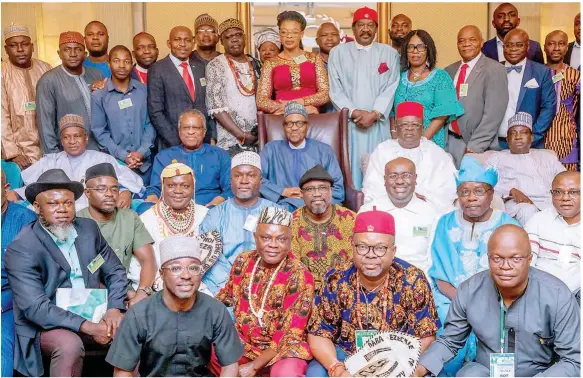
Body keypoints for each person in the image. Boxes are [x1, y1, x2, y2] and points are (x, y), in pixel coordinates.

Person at [4, 169, 127, 377]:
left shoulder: (88, 229)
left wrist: (115, 308)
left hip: (95, 311)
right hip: (46, 324)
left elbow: (114, 270)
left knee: (135, 327)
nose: (62, 209)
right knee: (69, 345)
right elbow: (37, 308)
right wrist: (89, 326)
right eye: (53, 203)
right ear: (37, 207)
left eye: (68, 203)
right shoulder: (22, 247)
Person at [414, 225, 581, 377]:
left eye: (515, 259)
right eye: (497, 258)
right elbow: (449, 341)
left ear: (529, 259)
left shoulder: (557, 295)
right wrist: (417, 370)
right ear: (488, 259)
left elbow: (574, 359)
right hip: (486, 370)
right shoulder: (470, 291)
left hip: (538, 374)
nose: (505, 266)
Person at [306, 207, 440, 377]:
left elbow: (426, 336)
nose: (371, 255)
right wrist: (337, 369)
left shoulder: (413, 279)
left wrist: (399, 368)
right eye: (362, 247)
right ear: (352, 247)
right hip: (346, 354)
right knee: (315, 373)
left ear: (393, 251)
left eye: (380, 248)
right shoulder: (335, 278)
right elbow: (318, 332)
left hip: (398, 359)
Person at [428, 156, 520, 375]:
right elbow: (440, 274)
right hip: (451, 298)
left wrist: (482, 303)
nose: (471, 198)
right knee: (443, 316)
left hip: (496, 300)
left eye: (479, 191)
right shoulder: (445, 222)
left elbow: (517, 273)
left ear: (491, 195)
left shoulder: (508, 225)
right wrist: (463, 302)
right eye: (464, 192)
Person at [106, 236, 243, 377]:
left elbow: (230, 366)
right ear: (162, 274)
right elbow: (123, 372)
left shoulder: (215, 311)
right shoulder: (138, 314)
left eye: (194, 268)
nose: (186, 275)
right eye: (176, 268)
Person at [213, 207, 315, 377]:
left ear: (290, 241)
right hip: (244, 346)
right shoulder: (243, 261)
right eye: (266, 238)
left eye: (281, 239)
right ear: (255, 237)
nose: (273, 245)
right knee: (205, 347)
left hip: (284, 351)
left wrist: (254, 366)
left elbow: (289, 333)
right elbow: (225, 296)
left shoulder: (300, 274)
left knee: (286, 374)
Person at [328, 6, 400, 189]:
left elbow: (391, 87)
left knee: (379, 168)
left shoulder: (389, 54)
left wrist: (375, 114)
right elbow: (335, 89)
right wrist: (354, 112)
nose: (366, 29)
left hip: (378, 124)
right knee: (350, 170)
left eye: (370, 25)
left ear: (376, 28)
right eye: (361, 25)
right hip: (351, 124)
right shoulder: (338, 53)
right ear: (353, 28)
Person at [13, 114, 144, 210]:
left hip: (96, 215)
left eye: (77, 136)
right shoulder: (50, 161)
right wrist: (15, 194)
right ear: (61, 141)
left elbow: (129, 181)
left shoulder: (103, 159)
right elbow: (30, 187)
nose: (72, 141)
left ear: (86, 138)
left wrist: (125, 192)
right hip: (58, 216)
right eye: (66, 137)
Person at [77, 163, 156, 306]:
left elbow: (148, 260)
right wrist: (123, 293)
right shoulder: (77, 222)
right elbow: (82, 272)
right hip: (91, 294)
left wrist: (142, 293)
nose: (109, 194)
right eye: (101, 189)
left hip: (128, 293)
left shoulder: (129, 218)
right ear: (87, 193)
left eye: (114, 189)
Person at [200, 151, 279, 295]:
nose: (244, 180)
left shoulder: (276, 212)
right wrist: (235, 283)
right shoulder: (214, 215)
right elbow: (210, 257)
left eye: (251, 175)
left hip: (267, 286)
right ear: (230, 180)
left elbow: (282, 252)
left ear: (260, 180)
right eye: (238, 175)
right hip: (224, 288)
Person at [363, 101, 457, 212]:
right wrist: (402, 197)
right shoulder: (382, 151)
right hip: (389, 209)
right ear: (396, 127)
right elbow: (373, 186)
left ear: (422, 127)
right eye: (404, 125)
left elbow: (446, 189)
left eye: (415, 125)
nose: (409, 128)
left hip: (426, 210)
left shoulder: (436, 154)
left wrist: (415, 198)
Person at [130, 162, 209, 292]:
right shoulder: (146, 219)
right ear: (162, 187)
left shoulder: (205, 216)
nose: (178, 191)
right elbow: (135, 264)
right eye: (171, 186)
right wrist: (158, 283)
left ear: (193, 188)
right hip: (160, 289)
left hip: (200, 288)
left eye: (185, 186)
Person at [260, 101, 344, 211]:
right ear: (284, 126)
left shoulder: (324, 150)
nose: (294, 128)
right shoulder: (271, 149)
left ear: (307, 126)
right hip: (283, 206)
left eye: (299, 123)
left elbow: (337, 188)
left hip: (318, 207)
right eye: (289, 124)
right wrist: (282, 191)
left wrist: (311, 197)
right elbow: (256, 179)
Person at [360, 157, 439, 274]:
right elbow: (361, 254)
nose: (400, 181)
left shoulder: (430, 213)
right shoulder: (367, 211)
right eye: (393, 176)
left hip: (417, 281)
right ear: (384, 180)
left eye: (406, 175)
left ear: (415, 179)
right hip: (378, 279)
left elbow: (433, 260)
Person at [444, 25, 509, 167]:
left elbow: (493, 115)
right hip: (449, 142)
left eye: (472, 40)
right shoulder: (449, 70)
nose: (466, 44)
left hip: (476, 145)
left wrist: (474, 147)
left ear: (481, 42)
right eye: (461, 41)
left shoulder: (494, 69)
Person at [91, 45, 156, 184]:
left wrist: (141, 152)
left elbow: (150, 124)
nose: (121, 66)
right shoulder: (99, 96)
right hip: (116, 167)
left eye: (126, 61)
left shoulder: (144, 90)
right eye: (116, 61)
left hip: (145, 166)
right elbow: (100, 132)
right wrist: (124, 156)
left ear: (132, 65)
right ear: (108, 64)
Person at [487, 112, 566, 225]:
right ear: (507, 139)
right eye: (513, 133)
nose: (518, 137)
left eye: (523, 133)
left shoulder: (547, 157)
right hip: (517, 205)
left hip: (548, 202)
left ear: (531, 138)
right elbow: (483, 184)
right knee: (527, 210)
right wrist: (509, 190)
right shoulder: (497, 158)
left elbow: (566, 179)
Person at [144, 109, 232, 208]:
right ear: (179, 131)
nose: (190, 132)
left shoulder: (219, 155)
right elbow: (154, 188)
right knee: (144, 208)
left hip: (209, 208)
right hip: (172, 209)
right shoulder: (164, 156)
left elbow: (230, 187)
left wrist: (218, 201)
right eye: (186, 128)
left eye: (196, 128)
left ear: (204, 132)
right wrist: (152, 200)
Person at [393, 29, 464, 149]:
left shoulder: (440, 77)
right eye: (411, 47)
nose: (415, 51)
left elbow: (442, 114)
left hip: (429, 142)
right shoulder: (398, 77)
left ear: (428, 49)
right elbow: (392, 112)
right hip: (399, 143)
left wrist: (421, 141)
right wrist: (395, 137)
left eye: (420, 47)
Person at [36, 31, 104, 153]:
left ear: (85, 53)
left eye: (78, 49)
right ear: (59, 53)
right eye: (67, 49)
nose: (73, 54)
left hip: (99, 149)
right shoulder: (48, 80)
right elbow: (45, 123)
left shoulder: (96, 74)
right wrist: (53, 157)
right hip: (68, 152)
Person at [291, 165, 355, 293]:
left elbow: (354, 260)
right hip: (305, 291)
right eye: (310, 189)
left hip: (342, 290)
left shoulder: (350, 219)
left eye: (322, 188)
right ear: (302, 194)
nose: (317, 194)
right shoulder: (293, 221)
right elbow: (293, 264)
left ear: (331, 191)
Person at [148, 26, 213, 148]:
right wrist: (177, 141)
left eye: (187, 40)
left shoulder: (201, 67)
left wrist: (210, 136)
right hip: (172, 144)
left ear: (193, 43)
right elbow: (155, 111)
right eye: (178, 40)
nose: (183, 44)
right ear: (169, 43)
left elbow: (208, 105)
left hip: (202, 143)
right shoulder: (158, 69)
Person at [206, 18, 262, 156]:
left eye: (237, 35)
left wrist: (259, 132)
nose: (234, 39)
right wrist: (241, 135)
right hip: (230, 140)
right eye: (229, 37)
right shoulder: (215, 65)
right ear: (221, 41)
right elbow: (216, 108)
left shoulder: (257, 63)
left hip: (259, 138)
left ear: (244, 37)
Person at [256, 10, 330, 115]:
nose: (289, 36)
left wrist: (299, 103)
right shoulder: (270, 63)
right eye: (284, 32)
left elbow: (325, 94)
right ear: (280, 34)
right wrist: (289, 107)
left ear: (301, 34)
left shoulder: (314, 58)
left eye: (294, 32)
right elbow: (261, 101)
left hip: (311, 116)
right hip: (282, 116)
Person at [1, 169, 36, 378]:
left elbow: (31, 275)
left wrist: (4, 302)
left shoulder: (25, 220)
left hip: (10, 299)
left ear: (6, 190)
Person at [1, 23, 52, 169]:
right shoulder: (2, 73)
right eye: (13, 45)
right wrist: (12, 153)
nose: (20, 50)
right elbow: (1, 118)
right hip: (19, 154)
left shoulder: (45, 68)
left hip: (48, 148)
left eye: (25, 44)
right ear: (6, 49)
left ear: (32, 46)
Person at [498, 28, 557, 149]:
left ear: (527, 46)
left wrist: (533, 135)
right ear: (503, 47)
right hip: (496, 142)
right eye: (508, 45)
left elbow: (549, 106)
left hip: (530, 144)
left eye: (519, 45)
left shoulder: (541, 71)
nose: (513, 49)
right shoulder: (493, 70)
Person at [526, 171, 581, 300]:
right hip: (540, 291)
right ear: (551, 194)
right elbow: (527, 261)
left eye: (573, 192)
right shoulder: (537, 221)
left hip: (576, 293)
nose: (565, 198)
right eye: (558, 192)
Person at [544, 30, 581, 171]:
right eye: (551, 44)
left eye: (561, 44)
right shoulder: (537, 72)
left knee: (569, 183)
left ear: (567, 47)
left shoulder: (576, 76)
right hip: (540, 140)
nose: (556, 48)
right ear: (544, 47)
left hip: (566, 139)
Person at [315, 22, 341, 114]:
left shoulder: (348, 63)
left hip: (343, 115)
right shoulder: (309, 63)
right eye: (324, 35)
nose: (330, 38)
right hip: (315, 116)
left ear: (340, 39)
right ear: (316, 40)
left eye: (334, 34)